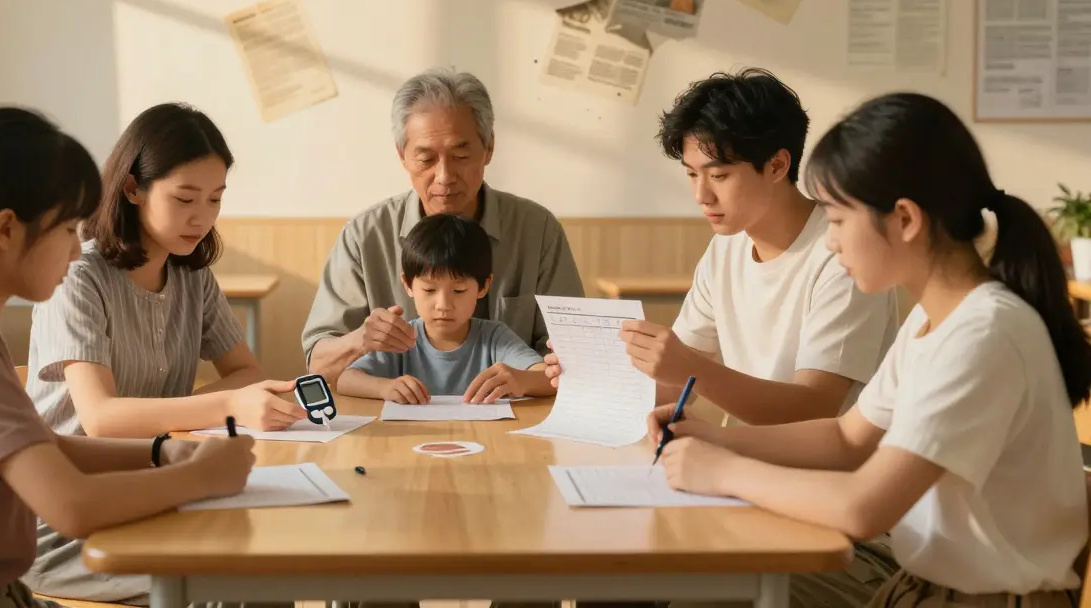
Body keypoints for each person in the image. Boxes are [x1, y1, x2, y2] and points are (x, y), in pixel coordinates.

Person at [655, 92, 1091, 606]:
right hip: (927, 584)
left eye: (839, 221)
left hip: (980, 598)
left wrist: (723, 470)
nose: (832, 242)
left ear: (904, 220)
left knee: (703, 587)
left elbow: (864, 509)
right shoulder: (937, 320)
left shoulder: (983, 333)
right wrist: (713, 441)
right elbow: (846, 438)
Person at [0, 107, 255, 608]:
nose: (77, 252)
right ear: (6, 230)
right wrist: (200, 477)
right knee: (239, 583)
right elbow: (71, 508)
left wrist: (163, 452)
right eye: (68, 230)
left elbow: (45, 444)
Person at [547, 69, 901, 607]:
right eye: (691, 174)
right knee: (608, 568)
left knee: (658, 582)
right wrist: (582, 376)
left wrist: (693, 373)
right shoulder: (726, 249)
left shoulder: (845, 254)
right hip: (748, 489)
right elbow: (671, 383)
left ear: (778, 165)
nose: (700, 194)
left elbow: (815, 410)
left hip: (837, 519)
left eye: (719, 174)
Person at [23, 103, 303, 605]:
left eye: (215, 199)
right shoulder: (80, 277)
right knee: (240, 577)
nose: (202, 216)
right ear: (132, 189)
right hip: (67, 514)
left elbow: (245, 371)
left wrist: (221, 403)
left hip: (159, 487)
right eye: (185, 198)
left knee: (270, 559)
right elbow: (102, 419)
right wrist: (225, 405)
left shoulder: (192, 274)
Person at [302, 67, 584, 382]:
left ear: (489, 148)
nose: (444, 177)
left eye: (461, 156)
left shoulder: (537, 230)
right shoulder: (365, 236)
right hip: (396, 419)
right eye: (425, 159)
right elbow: (318, 363)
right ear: (402, 157)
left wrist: (532, 376)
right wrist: (359, 342)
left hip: (518, 415)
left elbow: (577, 354)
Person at [336, 213, 554, 404]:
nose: (443, 305)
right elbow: (346, 380)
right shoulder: (401, 340)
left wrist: (521, 380)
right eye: (429, 290)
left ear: (484, 286)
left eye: (458, 291)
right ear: (408, 285)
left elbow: (550, 379)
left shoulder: (495, 337)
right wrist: (384, 388)